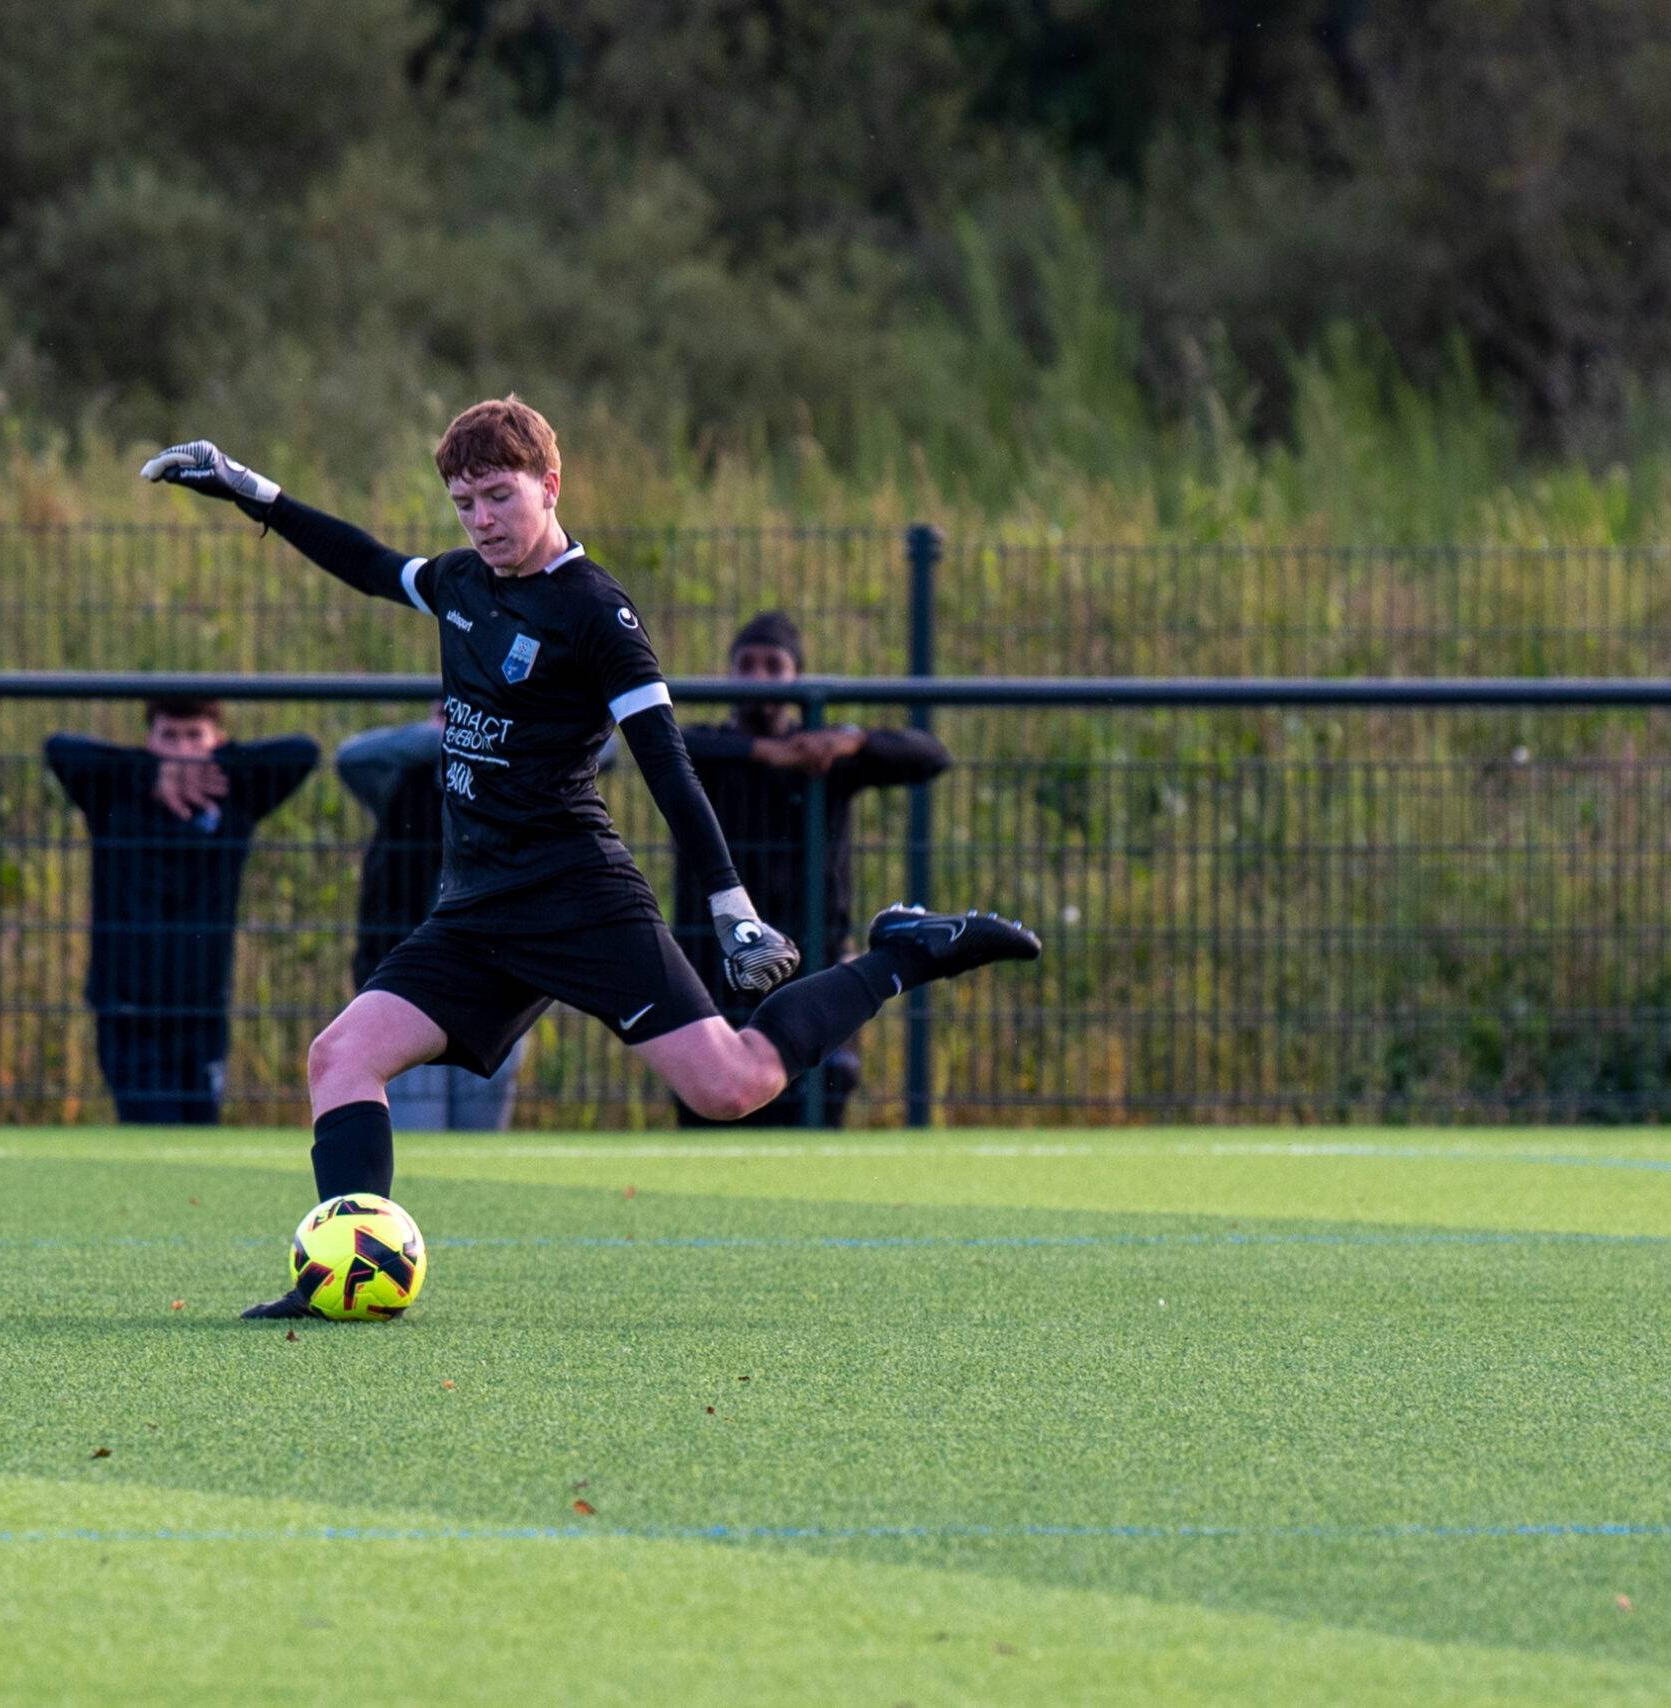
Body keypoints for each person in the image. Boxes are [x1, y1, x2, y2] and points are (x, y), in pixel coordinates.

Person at [142, 396, 1040, 1318]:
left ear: (550, 485)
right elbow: (369, 564)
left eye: (499, 495)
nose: (482, 519)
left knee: (731, 1086)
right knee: (340, 1056)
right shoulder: (461, 583)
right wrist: (253, 493)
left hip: (578, 897)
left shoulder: (597, 611)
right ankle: (342, 1275)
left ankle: (901, 954)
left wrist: (731, 907)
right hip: (475, 911)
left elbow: (666, 764)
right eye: (464, 503)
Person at [673, 610, 953, 1128]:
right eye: (746, 665)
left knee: (823, 1095)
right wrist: (765, 754)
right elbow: (668, 743)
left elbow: (930, 755)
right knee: (712, 1105)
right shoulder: (704, 751)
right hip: (714, 959)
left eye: (773, 666)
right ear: (728, 674)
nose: (759, 678)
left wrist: (855, 740)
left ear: (797, 676)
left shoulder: (821, 754)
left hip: (811, 959)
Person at [46, 700, 318, 1125]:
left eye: (195, 736)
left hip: (203, 1009)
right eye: (169, 737)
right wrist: (150, 774)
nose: (182, 749)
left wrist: (218, 764)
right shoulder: (115, 792)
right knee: (153, 1128)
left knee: (200, 1129)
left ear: (217, 740)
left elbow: (303, 751)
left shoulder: (232, 790)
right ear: (149, 741)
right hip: (129, 1010)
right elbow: (59, 747)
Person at [338, 711, 524, 1129]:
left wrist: (505, 735)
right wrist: (451, 736)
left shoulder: (521, 780)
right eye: (451, 713)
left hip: (495, 993)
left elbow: (605, 747)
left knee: (478, 1147)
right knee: (416, 1136)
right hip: (410, 992)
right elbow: (351, 756)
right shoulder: (404, 782)